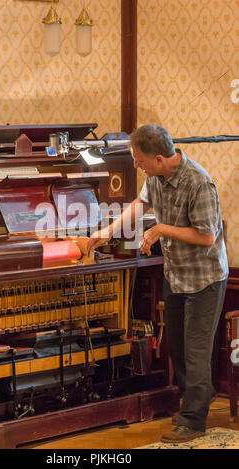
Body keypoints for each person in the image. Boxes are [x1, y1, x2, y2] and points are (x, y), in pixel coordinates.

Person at [87, 124, 229, 443]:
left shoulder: (199, 182)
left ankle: (193, 421)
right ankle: (201, 395)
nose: (136, 165)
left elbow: (206, 237)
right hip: (176, 275)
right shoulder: (155, 177)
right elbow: (140, 205)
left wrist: (162, 229)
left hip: (205, 280)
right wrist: (107, 232)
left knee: (195, 351)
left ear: (160, 158)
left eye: (139, 160)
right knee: (176, 347)